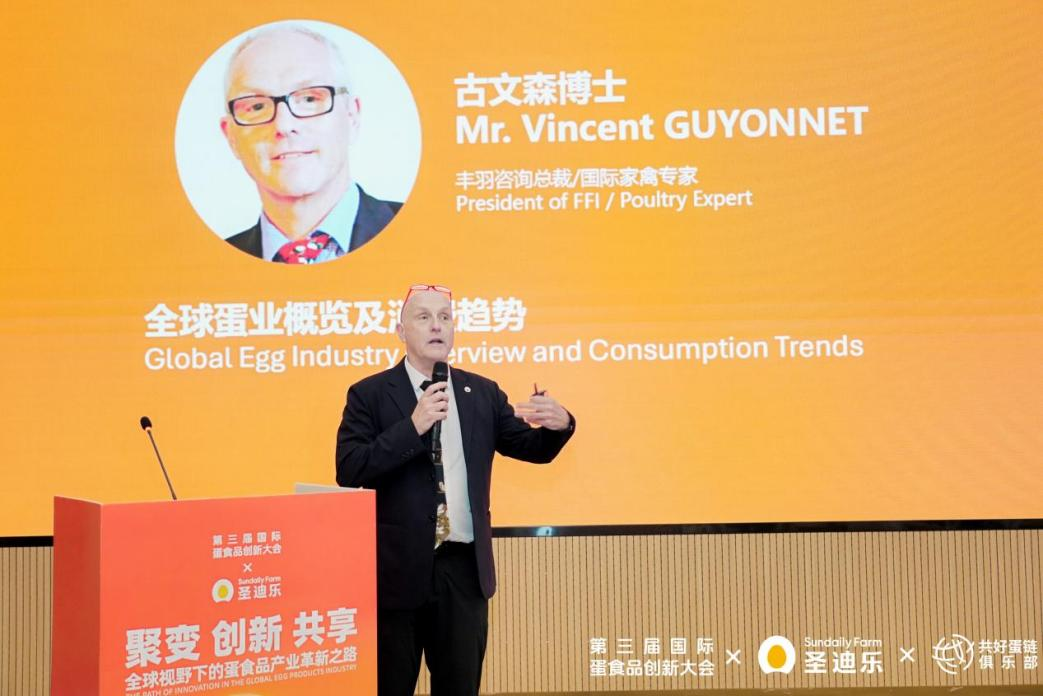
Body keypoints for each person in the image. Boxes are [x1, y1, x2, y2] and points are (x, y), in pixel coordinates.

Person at [336, 284, 575, 696]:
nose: (437, 326)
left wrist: (561, 424)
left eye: (445, 318)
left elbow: (532, 448)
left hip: (463, 572)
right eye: (424, 317)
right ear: (400, 331)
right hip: (395, 573)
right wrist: (413, 426)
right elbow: (350, 467)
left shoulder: (481, 392)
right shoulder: (370, 394)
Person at [219, 25, 401, 263]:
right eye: (257, 106)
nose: (284, 125)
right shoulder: (210, 266)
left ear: (351, 116)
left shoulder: (430, 231)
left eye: (309, 99)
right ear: (231, 136)